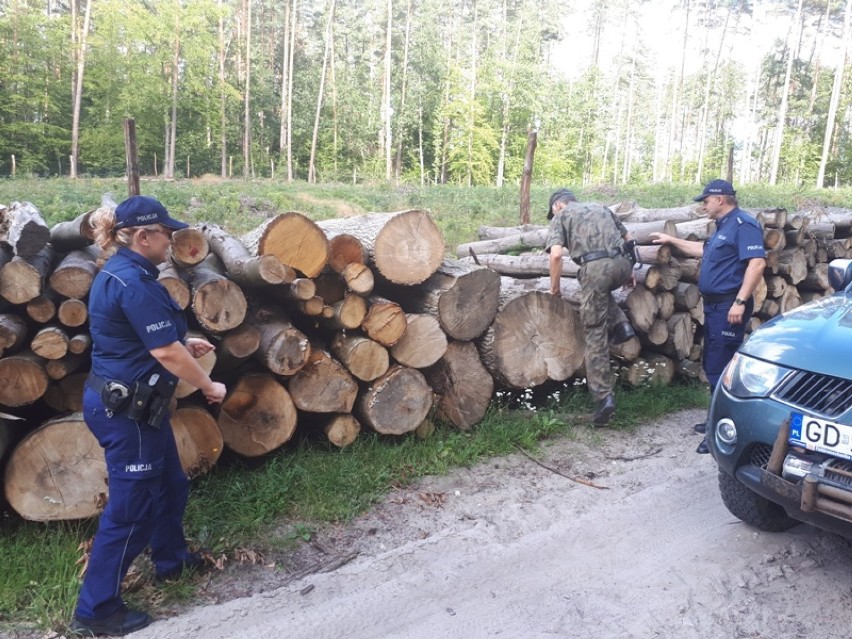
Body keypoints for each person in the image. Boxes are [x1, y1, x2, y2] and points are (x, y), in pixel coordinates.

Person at [71, 196, 227, 637]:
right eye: (166, 234)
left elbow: (147, 338)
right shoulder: (132, 281)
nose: (171, 241)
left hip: (138, 407)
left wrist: (185, 343)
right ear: (143, 236)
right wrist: (208, 385)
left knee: (169, 485)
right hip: (127, 414)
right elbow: (162, 351)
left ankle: (171, 562)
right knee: (131, 510)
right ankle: (96, 610)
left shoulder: (126, 273)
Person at [650, 179, 766, 454]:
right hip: (714, 307)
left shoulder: (743, 224)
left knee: (722, 366)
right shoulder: (723, 227)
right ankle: (716, 418)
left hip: (729, 306)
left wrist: (739, 302)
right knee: (713, 363)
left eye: (706, 200)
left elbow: (757, 262)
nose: (703, 204)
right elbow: (703, 250)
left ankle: (721, 431)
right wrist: (671, 240)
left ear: (721, 199)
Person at [545, 189, 638, 426]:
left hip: (596, 271)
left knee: (595, 333)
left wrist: (554, 289)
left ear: (557, 206)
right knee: (595, 287)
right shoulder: (601, 207)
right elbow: (629, 240)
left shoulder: (561, 217)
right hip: (623, 264)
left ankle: (603, 398)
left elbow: (556, 256)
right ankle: (621, 325)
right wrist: (629, 270)